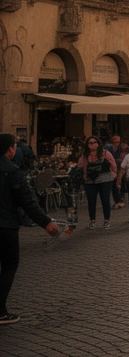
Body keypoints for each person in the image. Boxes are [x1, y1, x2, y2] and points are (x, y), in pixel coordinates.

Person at [0, 133, 61, 325]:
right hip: (5, 225)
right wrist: (46, 222)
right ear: (11, 148)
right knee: (9, 265)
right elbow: (27, 201)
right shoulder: (12, 171)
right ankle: (0, 310)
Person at [77, 137, 118, 230]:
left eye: (94, 142)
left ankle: (106, 220)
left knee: (105, 200)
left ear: (98, 143)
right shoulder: (85, 155)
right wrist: (83, 176)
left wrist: (113, 175)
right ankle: (92, 220)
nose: (92, 144)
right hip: (90, 181)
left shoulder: (105, 153)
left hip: (104, 179)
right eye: (90, 143)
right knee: (91, 201)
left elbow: (113, 164)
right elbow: (80, 166)